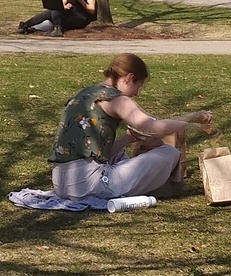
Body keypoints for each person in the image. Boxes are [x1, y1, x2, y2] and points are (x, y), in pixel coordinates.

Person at [47, 52, 211, 202]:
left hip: (62, 183)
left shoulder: (86, 93)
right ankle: (168, 188)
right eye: (138, 86)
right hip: (88, 186)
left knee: (120, 155)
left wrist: (128, 139)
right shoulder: (116, 99)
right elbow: (154, 127)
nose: (137, 93)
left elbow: (96, 153)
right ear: (129, 78)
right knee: (169, 153)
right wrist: (190, 121)